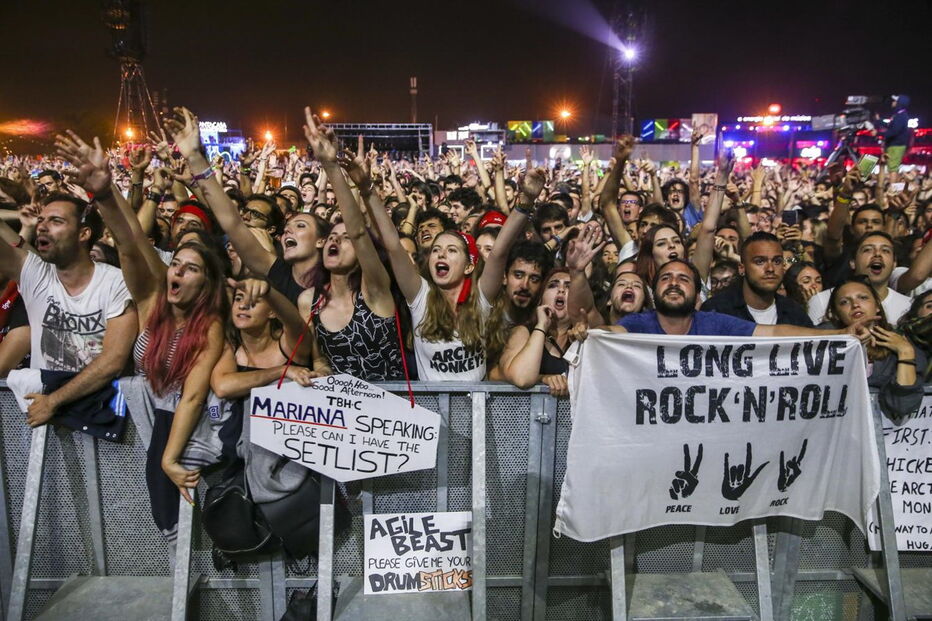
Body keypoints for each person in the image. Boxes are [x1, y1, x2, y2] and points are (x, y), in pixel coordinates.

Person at [56, 129, 229, 539]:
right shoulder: (153, 303)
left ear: (207, 283)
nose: (178, 271)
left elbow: (191, 396)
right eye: (176, 264)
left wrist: (169, 459)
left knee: (184, 531)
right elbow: (132, 246)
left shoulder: (212, 325)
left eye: (191, 268)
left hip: (185, 434)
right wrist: (103, 192)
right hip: (145, 430)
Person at [369, 161, 544, 380]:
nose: (441, 255)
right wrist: (367, 188)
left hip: (474, 412)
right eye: (436, 250)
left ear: (470, 265)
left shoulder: (481, 298)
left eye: (451, 250)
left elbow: (499, 251)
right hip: (431, 413)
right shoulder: (420, 296)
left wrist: (525, 202)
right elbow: (394, 246)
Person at [0, 186, 137, 426]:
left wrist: (54, 401)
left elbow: (113, 360)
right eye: (41, 220)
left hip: (99, 416)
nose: (42, 226)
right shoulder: (36, 275)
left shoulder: (115, 283)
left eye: (56, 221)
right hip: (45, 419)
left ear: (83, 234)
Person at [169, 107, 326, 305]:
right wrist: (195, 157)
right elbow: (231, 221)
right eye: (286, 229)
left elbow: (358, 233)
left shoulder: (334, 284)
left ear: (323, 240)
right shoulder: (279, 273)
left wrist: (331, 167)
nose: (288, 232)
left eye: (300, 225)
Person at [298, 109, 405, 381]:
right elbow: (319, 356)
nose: (336, 239)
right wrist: (320, 368)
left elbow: (359, 233)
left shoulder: (375, 291)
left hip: (389, 417)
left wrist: (331, 166)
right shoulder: (309, 302)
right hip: (342, 417)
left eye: (345, 239)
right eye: (332, 236)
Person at [600, 259, 868, 339]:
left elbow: (774, 332)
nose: (673, 284)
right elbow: (607, 334)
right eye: (665, 278)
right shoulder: (639, 323)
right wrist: (585, 332)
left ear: (697, 294)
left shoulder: (714, 325)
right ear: (654, 290)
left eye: (683, 280)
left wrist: (842, 333)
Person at [825, 277, 924, 417]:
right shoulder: (825, 340)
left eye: (863, 298)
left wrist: (905, 352)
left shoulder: (902, 341)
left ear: (877, 306)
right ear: (836, 313)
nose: (855, 305)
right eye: (844, 302)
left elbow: (902, 405)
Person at [701, 232, 813, 327]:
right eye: (760, 261)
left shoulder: (795, 313)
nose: (770, 268)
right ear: (741, 268)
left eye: (777, 261)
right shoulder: (716, 311)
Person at [807, 231, 911, 325]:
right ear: (852, 262)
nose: (877, 254)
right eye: (868, 250)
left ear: (894, 264)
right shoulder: (821, 301)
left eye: (885, 250)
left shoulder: (909, 306)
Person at [498, 268, 573, 397]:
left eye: (569, 287)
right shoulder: (523, 332)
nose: (561, 290)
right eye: (553, 285)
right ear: (541, 299)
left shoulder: (585, 338)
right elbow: (522, 378)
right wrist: (541, 326)